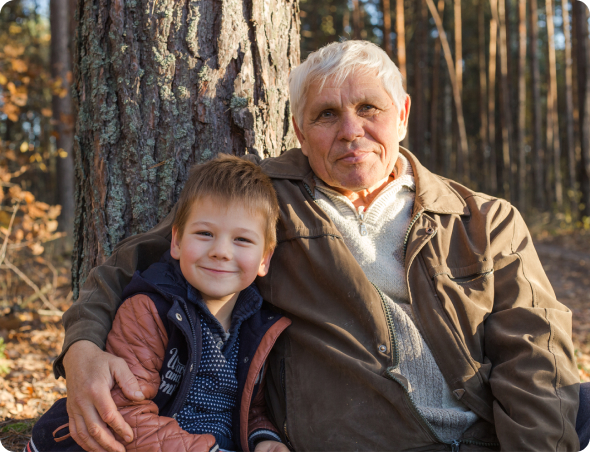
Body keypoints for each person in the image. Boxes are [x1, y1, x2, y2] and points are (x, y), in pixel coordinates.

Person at [55, 41, 582, 451]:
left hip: (484, 430)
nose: (351, 130)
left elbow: (534, 353)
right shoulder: (261, 201)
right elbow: (128, 267)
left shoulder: (484, 219)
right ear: (300, 132)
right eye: (327, 114)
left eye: (368, 108)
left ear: (402, 113)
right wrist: (80, 348)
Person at [29, 156, 290, 452]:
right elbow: (126, 415)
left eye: (242, 240)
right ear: (176, 241)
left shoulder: (257, 326)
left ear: (265, 259)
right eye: (205, 234)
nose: (221, 252)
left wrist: (265, 440)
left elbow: (249, 408)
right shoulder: (151, 311)